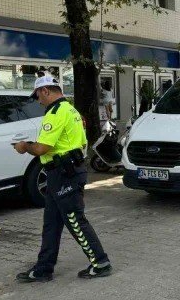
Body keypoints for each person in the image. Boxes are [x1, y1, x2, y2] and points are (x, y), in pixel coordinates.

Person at [14, 74, 112, 283]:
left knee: (75, 220)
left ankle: (100, 262)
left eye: (38, 95)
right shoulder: (71, 110)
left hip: (64, 174)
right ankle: (43, 269)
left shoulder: (55, 113)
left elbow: (41, 148)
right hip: (64, 171)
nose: (38, 100)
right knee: (51, 223)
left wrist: (24, 147)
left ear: (45, 91)